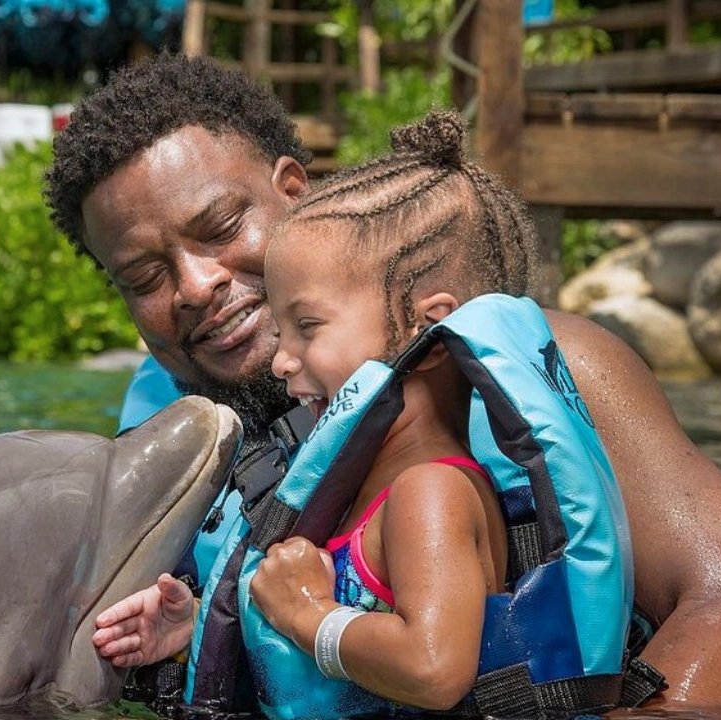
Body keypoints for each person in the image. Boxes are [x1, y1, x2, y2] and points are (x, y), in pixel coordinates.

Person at [45, 54, 721, 710]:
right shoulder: (168, 445)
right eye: (144, 276)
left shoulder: (542, 372)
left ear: (292, 190)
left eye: (222, 226)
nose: (196, 284)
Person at [96, 110, 519, 712]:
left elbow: (434, 668)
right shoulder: (370, 491)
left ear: (426, 334)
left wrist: (307, 615)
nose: (282, 361)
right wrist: (198, 627)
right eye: (142, 277)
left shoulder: (431, 492)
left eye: (308, 328)